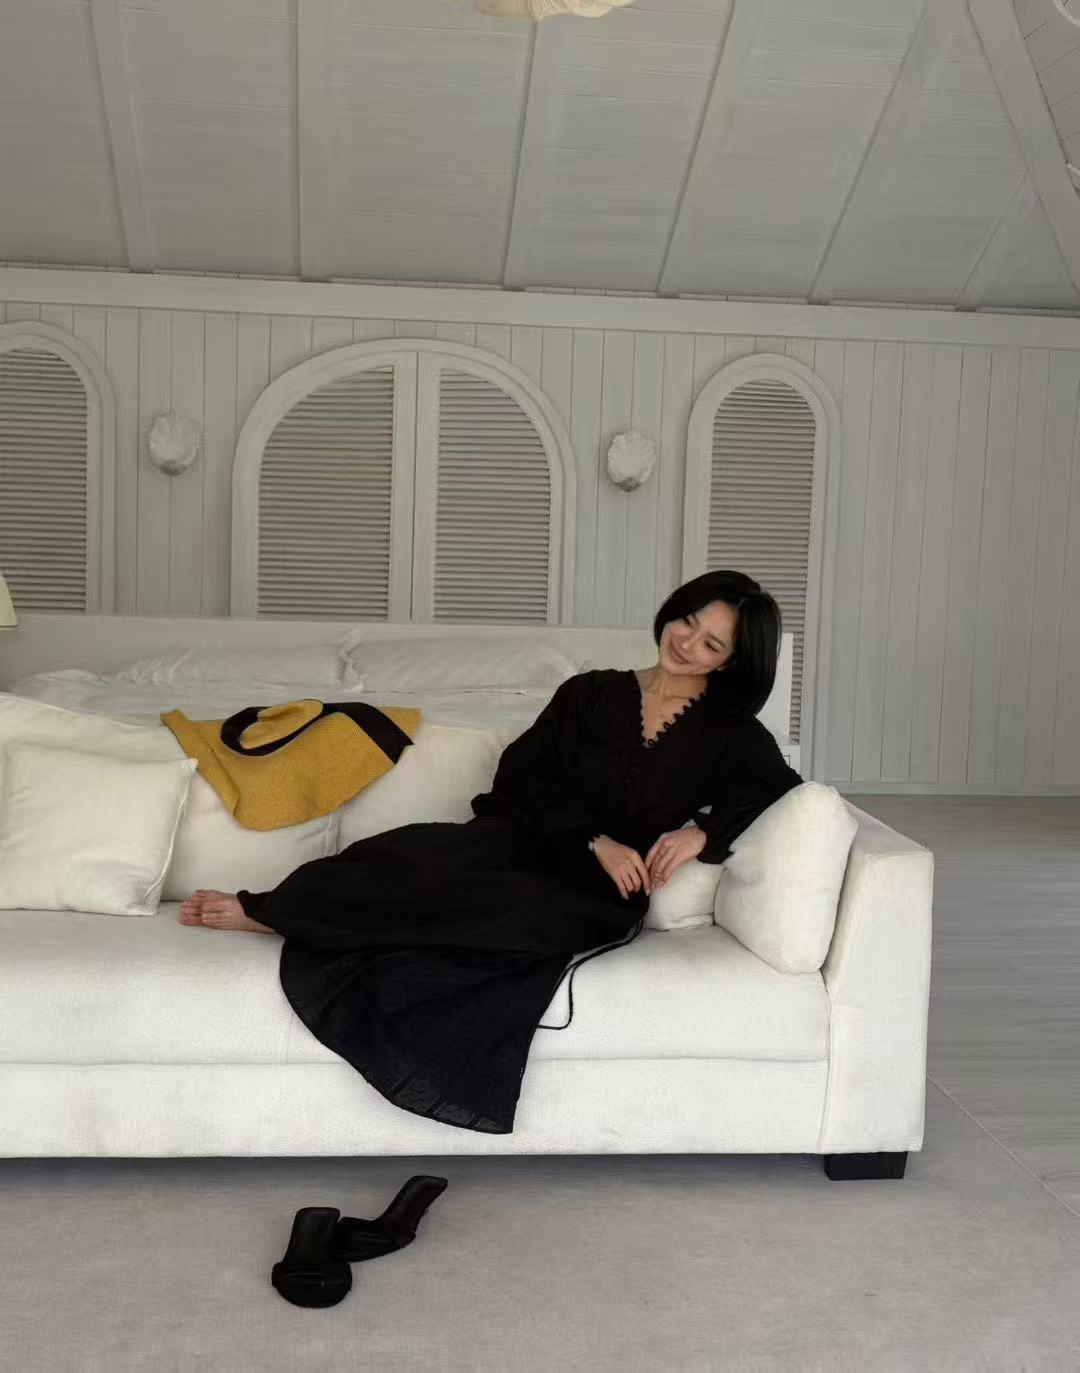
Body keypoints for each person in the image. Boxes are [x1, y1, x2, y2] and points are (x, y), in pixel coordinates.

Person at [178, 570, 803, 1134]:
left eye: (711, 643)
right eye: (688, 621)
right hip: (523, 841)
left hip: (594, 895)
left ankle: (310, 927)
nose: (688, 643)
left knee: (509, 917)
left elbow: (780, 789)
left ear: (729, 662)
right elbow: (523, 776)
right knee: (406, 857)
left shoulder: (732, 735)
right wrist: (595, 839)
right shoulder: (589, 693)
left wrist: (702, 833)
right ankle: (276, 910)